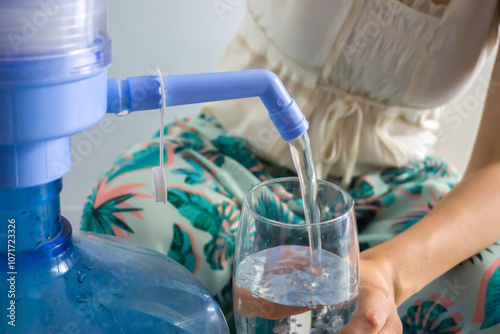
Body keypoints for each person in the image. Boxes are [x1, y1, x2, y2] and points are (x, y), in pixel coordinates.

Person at [81, 1, 500, 332]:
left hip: (396, 187)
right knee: (133, 222)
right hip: (225, 151)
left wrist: (389, 272)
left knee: (486, 282)